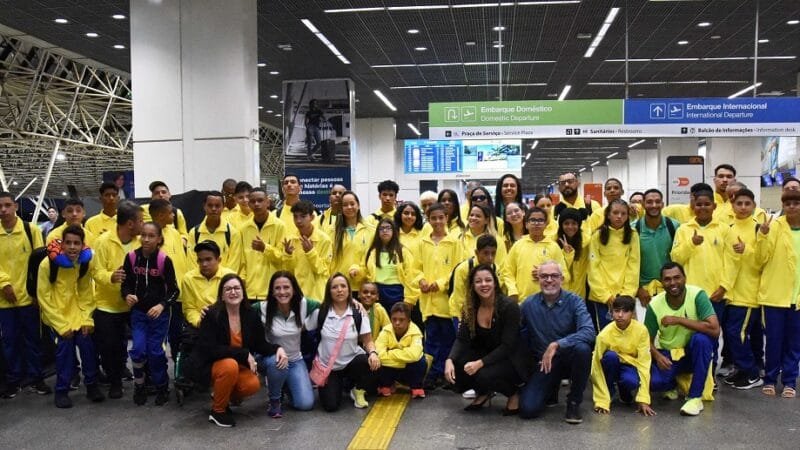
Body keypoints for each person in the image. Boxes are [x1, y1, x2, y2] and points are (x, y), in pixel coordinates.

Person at [193, 274, 287, 427]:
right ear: (222, 295)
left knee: (252, 384)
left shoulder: (250, 316)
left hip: (237, 368)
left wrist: (278, 348)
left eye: (237, 288)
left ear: (243, 293)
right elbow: (209, 349)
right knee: (229, 365)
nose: (233, 292)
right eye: (228, 289)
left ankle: (220, 396)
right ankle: (218, 411)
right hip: (211, 366)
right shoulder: (212, 315)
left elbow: (260, 344)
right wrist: (242, 354)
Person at [37, 225, 105, 408]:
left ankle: (91, 386)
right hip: (56, 317)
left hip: (78, 315)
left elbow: (86, 294)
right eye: (68, 243)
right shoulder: (47, 264)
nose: (72, 247)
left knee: (88, 347)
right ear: (62, 244)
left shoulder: (84, 263)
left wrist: (87, 320)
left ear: (83, 245)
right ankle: (62, 390)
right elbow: (44, 298)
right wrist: (61, 326)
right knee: (64, 353)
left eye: (77, 243)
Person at [518, 261, 594, 423]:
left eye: (554, 276)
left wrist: (557, 344)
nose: (549, 280)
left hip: (570, 359)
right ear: (538, 279)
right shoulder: (528, 304)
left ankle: (574, 401)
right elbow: (513, 328)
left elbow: (589, 332)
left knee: (583, 349)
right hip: (545, 364)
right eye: (544, 276)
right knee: (528, 410)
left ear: (562, 279)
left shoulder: (575, 302)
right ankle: (549, 389)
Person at [670, 188, 734, 376]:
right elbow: (676, 259)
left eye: (707, 204)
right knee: (689, 336)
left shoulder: (723, 229)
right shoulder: (684, 230)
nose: (703, 207)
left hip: (715, 295)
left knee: (712, 337)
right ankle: (690, 373)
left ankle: (709, 376)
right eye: (699, 204)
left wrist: (724, 287)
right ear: (693, 206)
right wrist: (691, 244)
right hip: (690, 295)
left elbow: (731, 262)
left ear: (714, 206)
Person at [445, 265, 525, 414]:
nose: (484, 284)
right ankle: (483, 392)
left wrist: (479, 363)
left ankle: (514, 392)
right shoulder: (470, 307)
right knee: (456, 365)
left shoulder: (509, 306)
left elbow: (508, 346)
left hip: (510, 359)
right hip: (486, 355)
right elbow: (462, 339)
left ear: (495, 283)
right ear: (473, 285)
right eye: (478, 281)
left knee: (482, 373)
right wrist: (449, 360)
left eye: (488, 280)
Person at [645, 262, 719, 416]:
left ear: (685, 278)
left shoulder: (698, 295)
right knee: (655, 383)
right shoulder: (655, 304)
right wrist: (657, 356)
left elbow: (715, 329)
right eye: (667, 279)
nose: (673, 283)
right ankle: (671, 383)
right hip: (669, 355)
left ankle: (694, 397)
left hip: (692, 353)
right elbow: (645, 340)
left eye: (677, 277)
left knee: (702, 340)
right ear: (662, 282)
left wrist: (679, 320)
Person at [121, 222, 179, 406]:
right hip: (138, 314)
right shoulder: (131, 257)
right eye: (143, 235)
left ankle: (162, 386)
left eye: (151, 236)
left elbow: (174, 291)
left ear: (159, 239)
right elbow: (126, 283)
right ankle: (140, 386)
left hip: (159, 316)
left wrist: (162, 306)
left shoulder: (164, 260)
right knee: (138, 350)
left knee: (155, 352)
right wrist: (126, 295)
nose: (146, 239)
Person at [0, 192, 50, 398]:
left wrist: (39, 294)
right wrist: (4, 283)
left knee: (33, 340)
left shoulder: (31, 230)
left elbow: (40, 263)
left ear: (16, 207)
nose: (3, 210)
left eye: (7, 205)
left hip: (29, 298)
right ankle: (14, 380)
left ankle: (36, 378)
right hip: (4, 300)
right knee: (10, 342)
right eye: (0, 206)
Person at [91, 200, 143, 399]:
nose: (142, 225)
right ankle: (114, 382)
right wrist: (110, 277)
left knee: (137, 343)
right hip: (107, 306)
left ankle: (140, 378)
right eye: (139, 221)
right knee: (110, 346)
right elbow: (96, 272)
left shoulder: (141, 242)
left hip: (134, 305)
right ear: (130, 223)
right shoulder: (103, 241)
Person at [307, 273, 379, 412]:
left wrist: (373, 353)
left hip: (351, 362)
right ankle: (339, 384)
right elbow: (302, 327)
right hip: (329, 367)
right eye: (334, 287)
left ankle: (356, 388)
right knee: (331, 406)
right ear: (329, 291)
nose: (339, 290)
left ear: (349, 289)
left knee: (371, 363)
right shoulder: (321, 312)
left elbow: (368, 340)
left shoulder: (358, 312)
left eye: (343, 286)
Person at [755, 190, 800, 398]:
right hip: (774, 296)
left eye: (796, 203)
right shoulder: (773, 226)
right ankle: (770, 379)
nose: (792, 206)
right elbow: (760, 260)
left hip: (797, 298)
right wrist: (762, 235)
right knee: (773, 341)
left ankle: (790, 381)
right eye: (788, 203)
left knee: (794, 342)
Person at [413, 203, 460, 390]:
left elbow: (457, 269)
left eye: (441, 217)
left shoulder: (454, 242)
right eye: (434, 218)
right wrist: (421, 280)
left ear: (446, 218)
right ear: (428, 219)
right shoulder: (422, 243)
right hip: (428, 302)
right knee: (431, 340)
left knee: (448, 339)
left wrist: (440, 284)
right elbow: (414, 268)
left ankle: (443, 373)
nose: (438, 221)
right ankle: (431, 374)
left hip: (446, 303)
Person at [722, 188, 765, 389]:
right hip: (729, 292)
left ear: (754, 206)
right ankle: (740, 370)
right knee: (731, 335)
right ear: (733, 206)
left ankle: (752, 372)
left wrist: (746, 249)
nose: (743, 207)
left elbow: (763, 260)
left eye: (747, 203)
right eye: (739, 203)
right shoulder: (727, 227)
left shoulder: (759, 229)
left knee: (736, 333)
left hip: (748, 293)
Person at [258, 271, 317, 418]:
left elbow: (328, 305)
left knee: (305, 404)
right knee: (277, 363)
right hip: (271, 359)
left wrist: (353, 302)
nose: (282, 292)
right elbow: (239, 309)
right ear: (272, 291)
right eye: (277, 288)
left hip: (295, 360)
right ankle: (274, 400)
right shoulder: (262, 308)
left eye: (286, 287)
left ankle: (284, 386)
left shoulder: (303, 304)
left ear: (294, 289)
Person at [590, 296, 655, 416]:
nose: (620, 315)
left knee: (630, 381)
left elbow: (644, 363)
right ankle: (608, 392)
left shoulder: (641, 331)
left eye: (625, 311)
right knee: (610, 357)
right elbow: (596, 365)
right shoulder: (604, 335)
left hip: (630, 366)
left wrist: (644, 399)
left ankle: (624, 392)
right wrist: (601, 400)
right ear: (611, 312)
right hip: (611, 365)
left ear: (633, 313)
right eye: (616, 311)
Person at [587, 199, 640, 331]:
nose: (619, 216)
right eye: (615, 213)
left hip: (625, 297)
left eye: (623, 213)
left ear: (628, 216)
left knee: (626, 334)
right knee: (605, 335)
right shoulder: (597, 236)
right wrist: (606, 296)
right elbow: (593, 268)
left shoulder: (632, 235)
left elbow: (633, 265)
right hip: (602, 298)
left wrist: (626, 295)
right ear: (608, 215)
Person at [502, 207, 567, 302]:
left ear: (546, 224)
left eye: (540, 220)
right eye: (533, 220)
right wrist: (513, 291)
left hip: (548, 302)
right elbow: (507, 272)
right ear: (526, 224)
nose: (536, 223)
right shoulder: (518, 245)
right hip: (522, 301)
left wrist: (547, 273)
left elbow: (564, 274)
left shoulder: (553, 247)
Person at [238, 187, 286, 301]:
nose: (256, 204)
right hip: (249, 291)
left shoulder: (279, 226)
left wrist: (265, 248)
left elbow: (282, 258)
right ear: (248, 204)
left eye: (260, 200)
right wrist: (242, 282)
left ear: (268, 202)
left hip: (272, 290)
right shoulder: (243, 229)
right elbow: (242, 260)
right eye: (253, 201)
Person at [634, 189, 680, 306]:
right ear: (643, 204)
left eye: (657, 201)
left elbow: (681, 260)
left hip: (670, 288)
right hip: (643, 292)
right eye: (649, 202)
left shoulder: (674, 226)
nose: (654, 205)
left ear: (663, 204)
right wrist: (638, 289)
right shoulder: (634, 229)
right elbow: (628, 263)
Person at [375, 302, 427, 400]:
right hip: (394, 368)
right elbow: (379, 354)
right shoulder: (385, 331)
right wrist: (404, 358)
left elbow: (414, 355)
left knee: (421, 361)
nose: (397, 323)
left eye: (401, 320)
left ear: (408, 320)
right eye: (394, 319)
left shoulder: (416, 332)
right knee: (376, 360)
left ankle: (416, 386)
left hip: (408, 370)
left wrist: (390, 353)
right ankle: (386, 384)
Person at [282, 200, 332, 302]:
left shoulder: (325, 240)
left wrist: (310, 252)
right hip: (297, 295)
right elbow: (289, 272)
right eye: (295, 217)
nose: (298, 221)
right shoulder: (291, 240)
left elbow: (323, 271)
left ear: (312, 217)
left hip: (318, 297)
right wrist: (288, 255)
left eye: (303, 216)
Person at [181, 241, 236, 330]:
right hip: (200, 326)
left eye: (208, 259)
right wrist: (200, 322)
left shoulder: (230, 277)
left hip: (226, 324)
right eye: (200, 260)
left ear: (219, 260)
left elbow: (235, 306)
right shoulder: (188, 278)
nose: (204, 264)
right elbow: (189, 308)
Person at [365, 219, 416, 313]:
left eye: (388, 228)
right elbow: (365, 270)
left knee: (396, 322)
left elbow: (411, 276)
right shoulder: (372, 251)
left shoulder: (403, 251)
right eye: (381, 229)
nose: (385, 231)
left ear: (394, 231)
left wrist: (410, 299)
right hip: (377, 292)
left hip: (396, 292)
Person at [449, 235, 503, 323]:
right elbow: (459, 298)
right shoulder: (463, 269)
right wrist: (466, 319)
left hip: (484, 312)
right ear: (477, 253)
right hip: (460, 312)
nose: (490, 258)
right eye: (485, 253)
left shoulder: (496, 269)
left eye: (493, 253)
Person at [188, 191, 243, 273]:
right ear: (204, 206)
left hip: (224, 283)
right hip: (200, 284)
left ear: (223, 207)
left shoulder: (233, 233)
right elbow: (192, 263)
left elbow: (233, 265)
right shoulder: (194, 233)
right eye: (210, 205)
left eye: (217, 206)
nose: (214, 209)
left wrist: (222, 282)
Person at [331, 191, 373, 296]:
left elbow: (372, 257)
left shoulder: (370, 230)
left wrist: (360, 272)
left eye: (352, 204)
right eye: (345, 205)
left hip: (363, 287)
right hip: (340, 286)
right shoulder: (333, 231)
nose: (349, 207)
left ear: (358, 205)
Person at [557, 208, 590, 301]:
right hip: (558, 295)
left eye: (574, 223)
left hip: (579, 295)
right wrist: (567, 254)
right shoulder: (553, 243)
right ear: (561, 225)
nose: (570, 227)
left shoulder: (586, 243)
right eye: (566, 223)